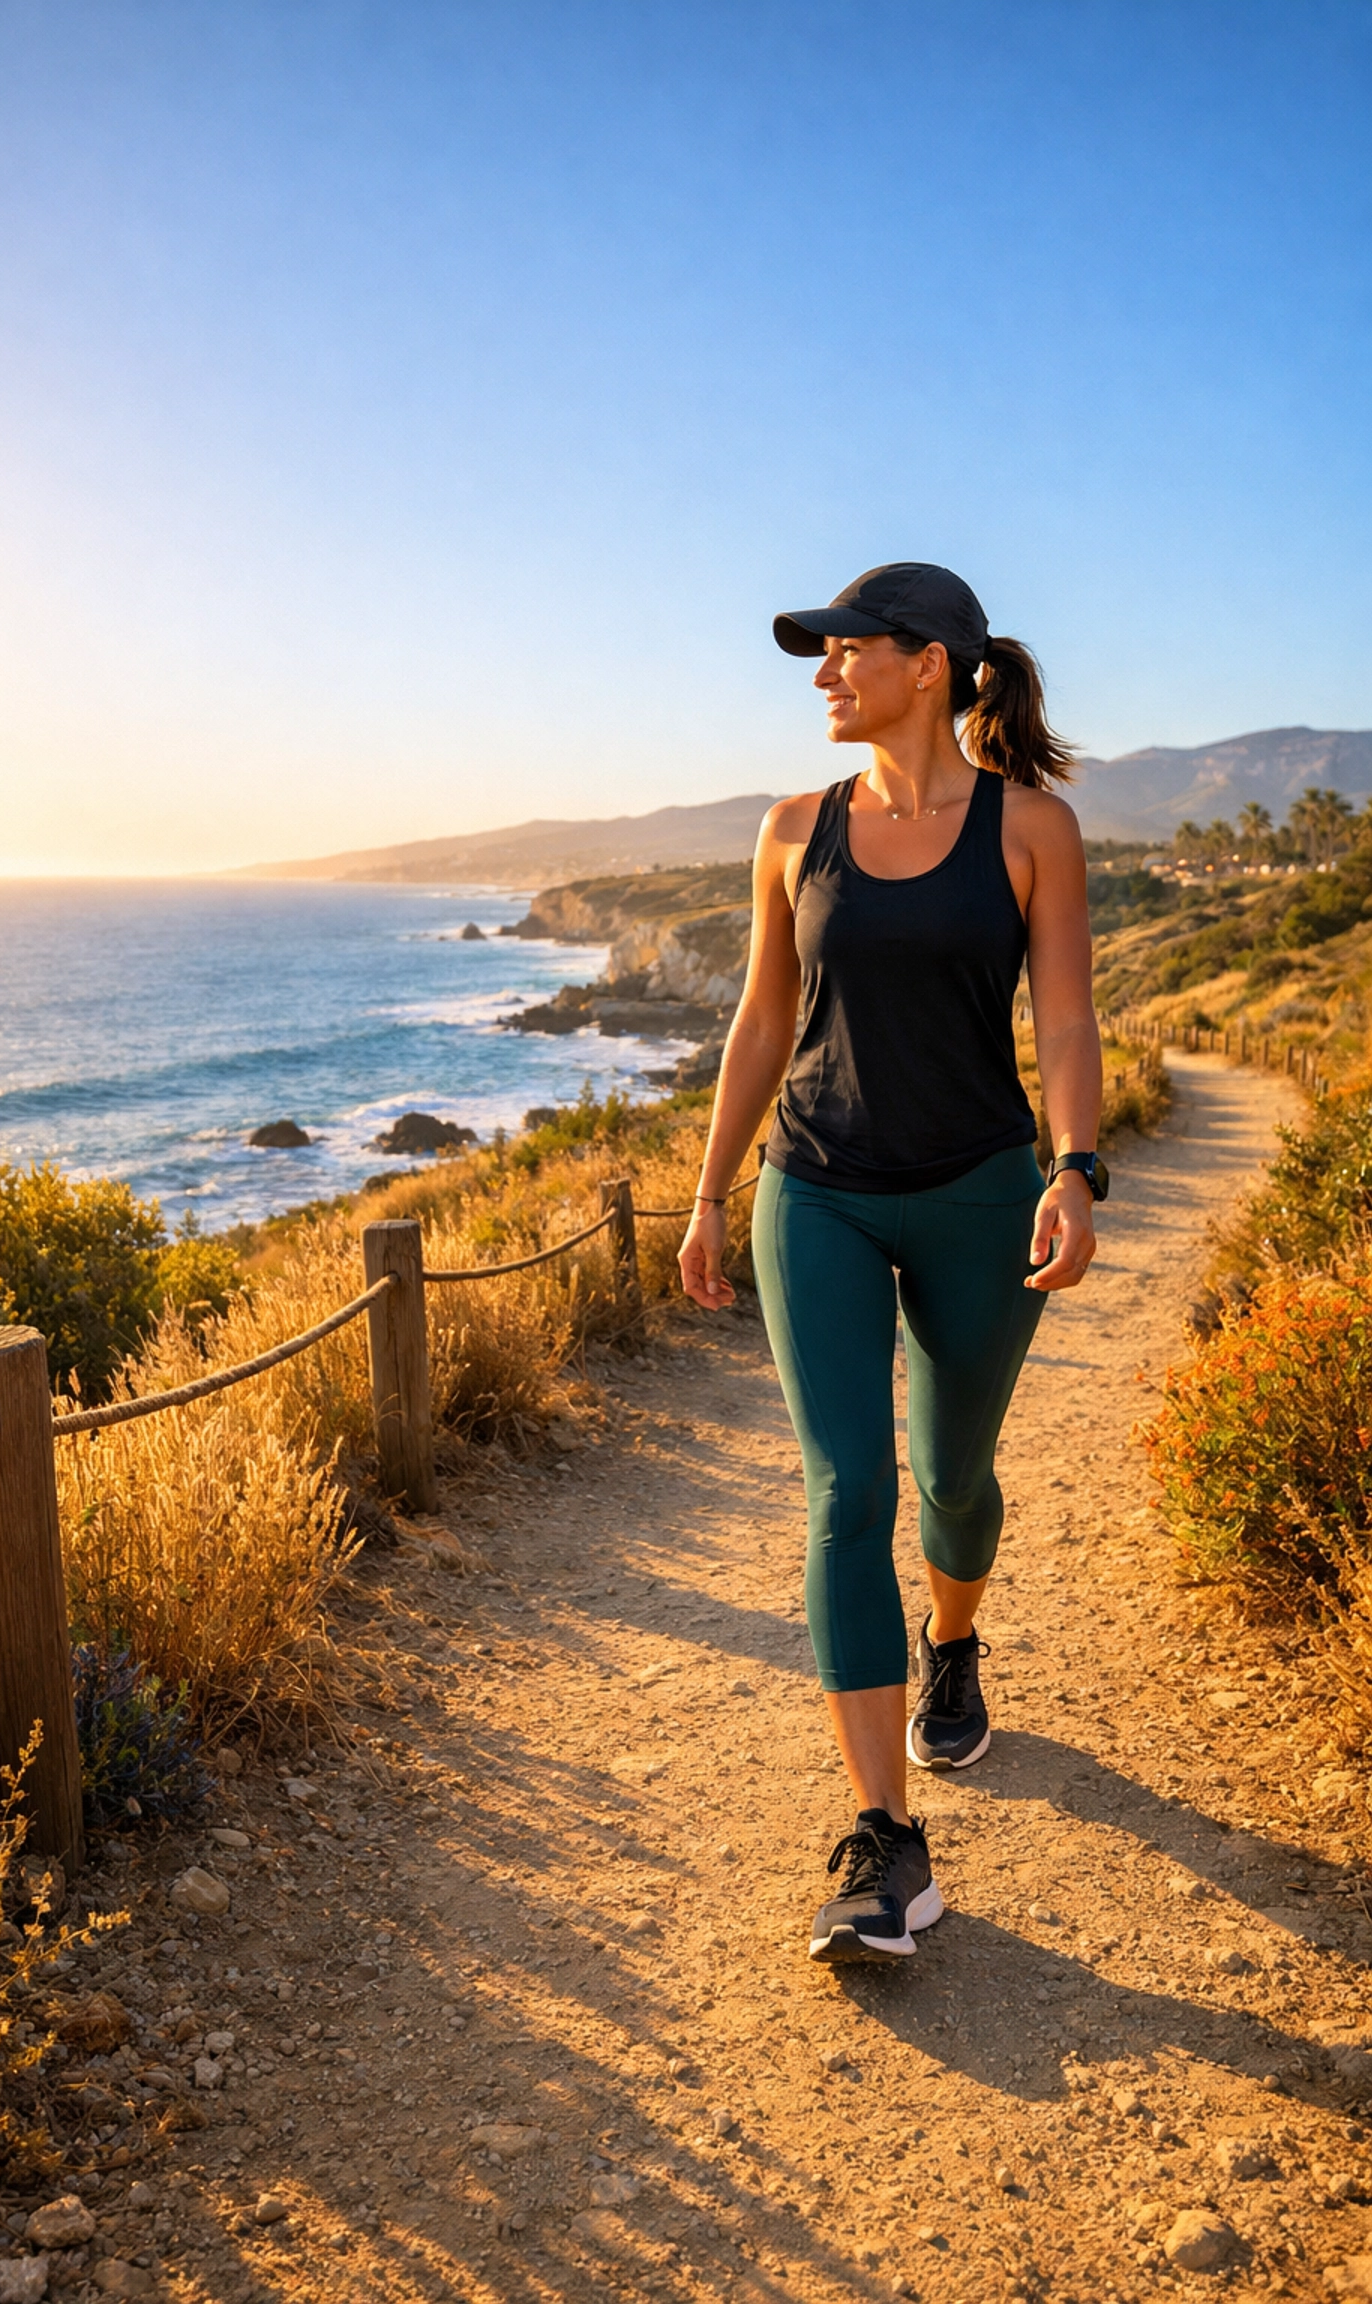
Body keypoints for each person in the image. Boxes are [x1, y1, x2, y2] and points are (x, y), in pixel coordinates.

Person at [678, 562, 1103, 1964]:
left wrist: (1075, 1168)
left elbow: (1067, 1018)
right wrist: (706, 1193)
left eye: (844, 651)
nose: (822, 676)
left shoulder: (1033, 829)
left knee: (953, 1478)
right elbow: (759, 1021)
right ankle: (885, 1840)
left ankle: (958, 1637)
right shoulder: (792, 830)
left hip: (981, 1193)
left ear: (929, 664)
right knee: (848, 1487)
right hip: (819, 1192)